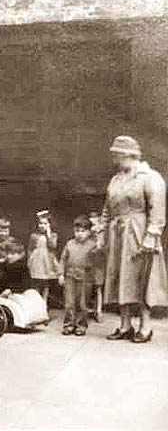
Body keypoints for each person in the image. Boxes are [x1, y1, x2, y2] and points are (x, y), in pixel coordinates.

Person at [101, 136, 167, 343]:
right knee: (121, 277)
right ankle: (125, 325)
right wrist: (102, 232)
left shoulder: (149, 177)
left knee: (141, 278)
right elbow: (107, 209)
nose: (114, 160)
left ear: (129, 155)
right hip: (118, 235)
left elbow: (157, 210)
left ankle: (145, 327)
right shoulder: (116, 180)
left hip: (139, 233)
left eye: (117, 156)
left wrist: (151, 237)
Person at [59, 215, 98, 336]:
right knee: (69, 302)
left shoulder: (93, 245)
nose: (79, 234)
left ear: (89, 232)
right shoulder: (70, 243)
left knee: (83, 303)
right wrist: (61, 274)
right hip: (70, 275)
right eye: (77, 231)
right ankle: (69, 324)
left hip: (85, 276)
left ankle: (81, 325)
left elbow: (98, 258)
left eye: (83, 231)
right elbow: (63, 259)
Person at [27, 210, 60, 309]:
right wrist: (29, 260)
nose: (42, 225)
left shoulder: (53, 235)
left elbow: (52, 246)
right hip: (37, 260)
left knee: (45, 282)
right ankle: (36, 301)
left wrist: (49, 233)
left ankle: (44, 302)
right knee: (36, 282)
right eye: (40, 223)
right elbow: (30, 248)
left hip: (47, 260)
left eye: (45, 223)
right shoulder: (34, 236)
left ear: (49, 224)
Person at [87, 209, 106, 323]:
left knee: (98, 288)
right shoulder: (88, 235)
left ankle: (98, 311)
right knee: (88, 287)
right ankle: (88, 309)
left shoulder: (102, 235)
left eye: (94, 224)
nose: (93, 228)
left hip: (98, 263)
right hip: (89, 263)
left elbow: (102, 248)